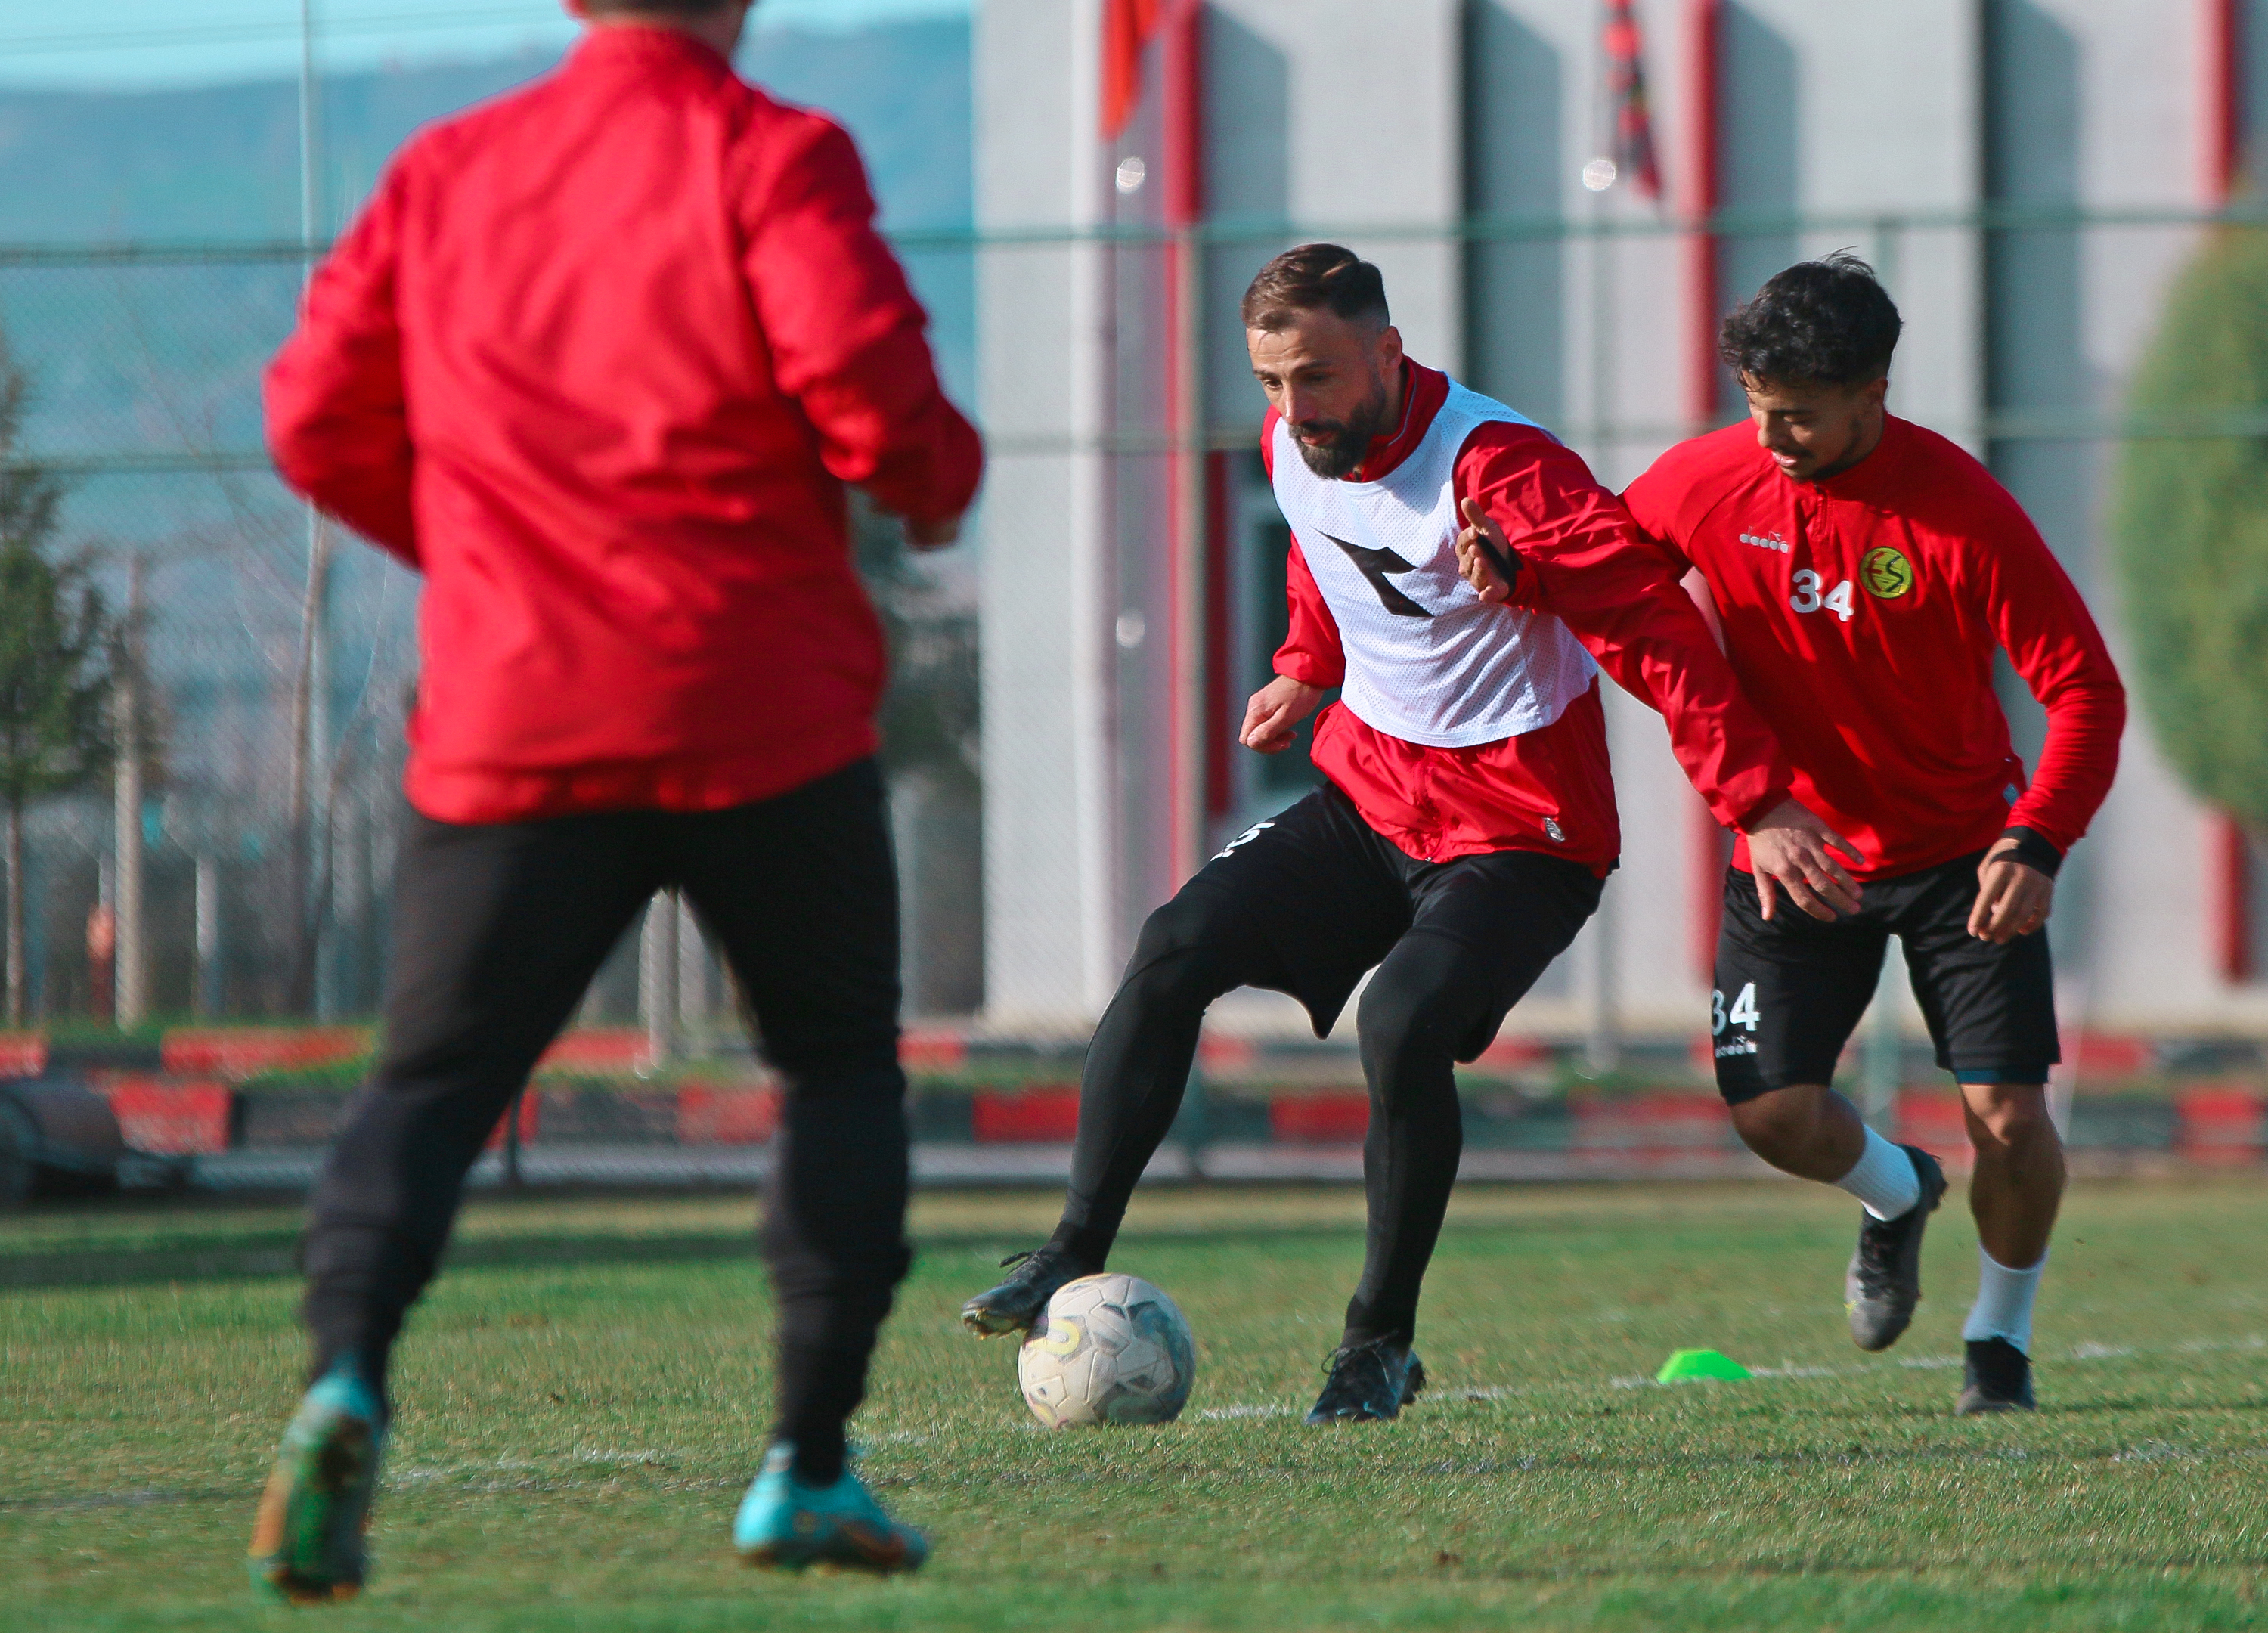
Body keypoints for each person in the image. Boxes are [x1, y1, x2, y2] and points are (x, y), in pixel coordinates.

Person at [252, 0, 981, 1597]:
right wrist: (936, 479)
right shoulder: (773, 155)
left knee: (429, 1084)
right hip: (760, 710)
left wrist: (479, 552)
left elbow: (309, 413)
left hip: (518, 711)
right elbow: (868, 396)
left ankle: (345, 1379)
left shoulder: (450, 168)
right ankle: (805, 1463)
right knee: (838, 1071)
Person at [961, 243, 1854, 1423]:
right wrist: (1303, 667)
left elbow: (1654, 628)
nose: (1294, 409)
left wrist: (1756, 798)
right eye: (1273, 381)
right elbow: (1324, 555)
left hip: (1522, 833)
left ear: (1389, 350)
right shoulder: (1293, 443)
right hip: (1371, 797)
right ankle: (1071, 1247)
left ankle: (1379, 1343)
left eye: (1320, 376)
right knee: (1173, 945)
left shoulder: (1506, 469)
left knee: (1401, 1024)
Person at [1458, 255, 2124, 1415]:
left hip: (1968, 857)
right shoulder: (1710, 478)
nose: (1773, 437)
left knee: (2010, 1118)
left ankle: (1998, 1343)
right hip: (1792, 851)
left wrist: (2039, 839)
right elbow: (1609, 576)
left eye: (1801, 415)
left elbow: (2086, 693)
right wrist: (1517, 576)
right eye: (1760, 409)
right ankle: (1897, 1193)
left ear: (1873, 392)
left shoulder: (1962, 511)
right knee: (1770, 1113)